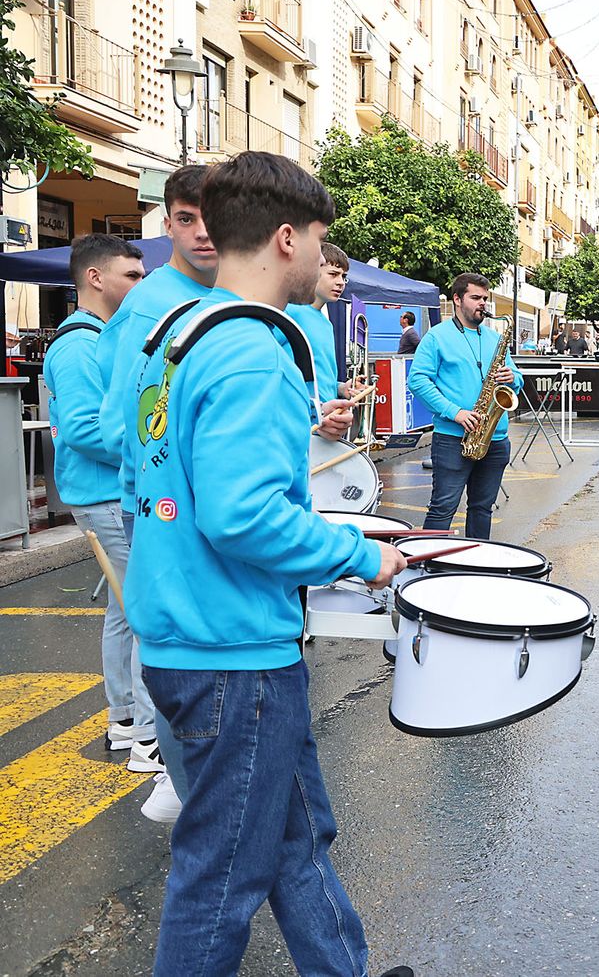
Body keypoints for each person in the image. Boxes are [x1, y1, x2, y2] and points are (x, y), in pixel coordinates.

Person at [122, 151, 412, 977]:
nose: (326, 260)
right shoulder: (252, 352)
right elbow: (245, 516)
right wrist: (362, 555)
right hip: (233, 656)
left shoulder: (173, 335)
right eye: (321, 241)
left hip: (193, 634)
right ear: (287, 237)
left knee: (295, 837)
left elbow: (135, 467)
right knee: (221, 878)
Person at [96, 164, 218, 817]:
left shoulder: (229, 293)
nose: (201, 233)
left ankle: (192, 760)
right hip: (161, 501)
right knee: (169, 633)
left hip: (209, 500)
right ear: (165, 222)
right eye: (185, 218)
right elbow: (117, 420)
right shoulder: (151, 301)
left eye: (211, 217)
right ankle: (168, 762)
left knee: (206, 636)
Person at [43, 236, 154, 777]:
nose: (141, 284)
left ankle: (126, 720)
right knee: (143, 614)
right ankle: (144, 737)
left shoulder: (96, 340)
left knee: (125, 613)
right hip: (106, 495)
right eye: (131, 275)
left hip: (105, 494)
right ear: (95, 278)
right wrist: (154, 448)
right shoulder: (79, 346)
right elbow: (88, 430)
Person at [407, 273, 523, 540]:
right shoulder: (437, 337)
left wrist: (512, 378)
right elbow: (418, 380)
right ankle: (428, 568)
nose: (482, 303)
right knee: (443, 508)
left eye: (485, 298)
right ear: (457, 300)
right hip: (453, 437)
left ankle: (477, 566)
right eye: (475, 298)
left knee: (482, 509)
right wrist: (454, 412)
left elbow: (516, 379)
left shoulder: (495, 338)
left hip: (495, 438)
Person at [285, 242, 361, 442]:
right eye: (333, 274)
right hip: (301, 430)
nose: (341, 283)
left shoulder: (325, 323)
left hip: (327, 427)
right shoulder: (290, 313)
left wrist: (340, 388)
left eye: (344, 277)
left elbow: (316, 375)